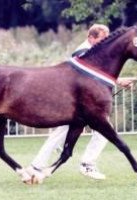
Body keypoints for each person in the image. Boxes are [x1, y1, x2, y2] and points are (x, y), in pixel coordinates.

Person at [26, 24, 131, 181]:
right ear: (91, 38)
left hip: (77, 103)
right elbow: (93, 78)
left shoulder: (91, 52)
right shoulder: (83, 52)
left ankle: (37, 166)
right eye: (102, 40)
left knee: (63, 134)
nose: (105, 43)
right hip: (75, 104)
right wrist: (119, 81)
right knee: (70, 133)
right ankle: (86, 164)